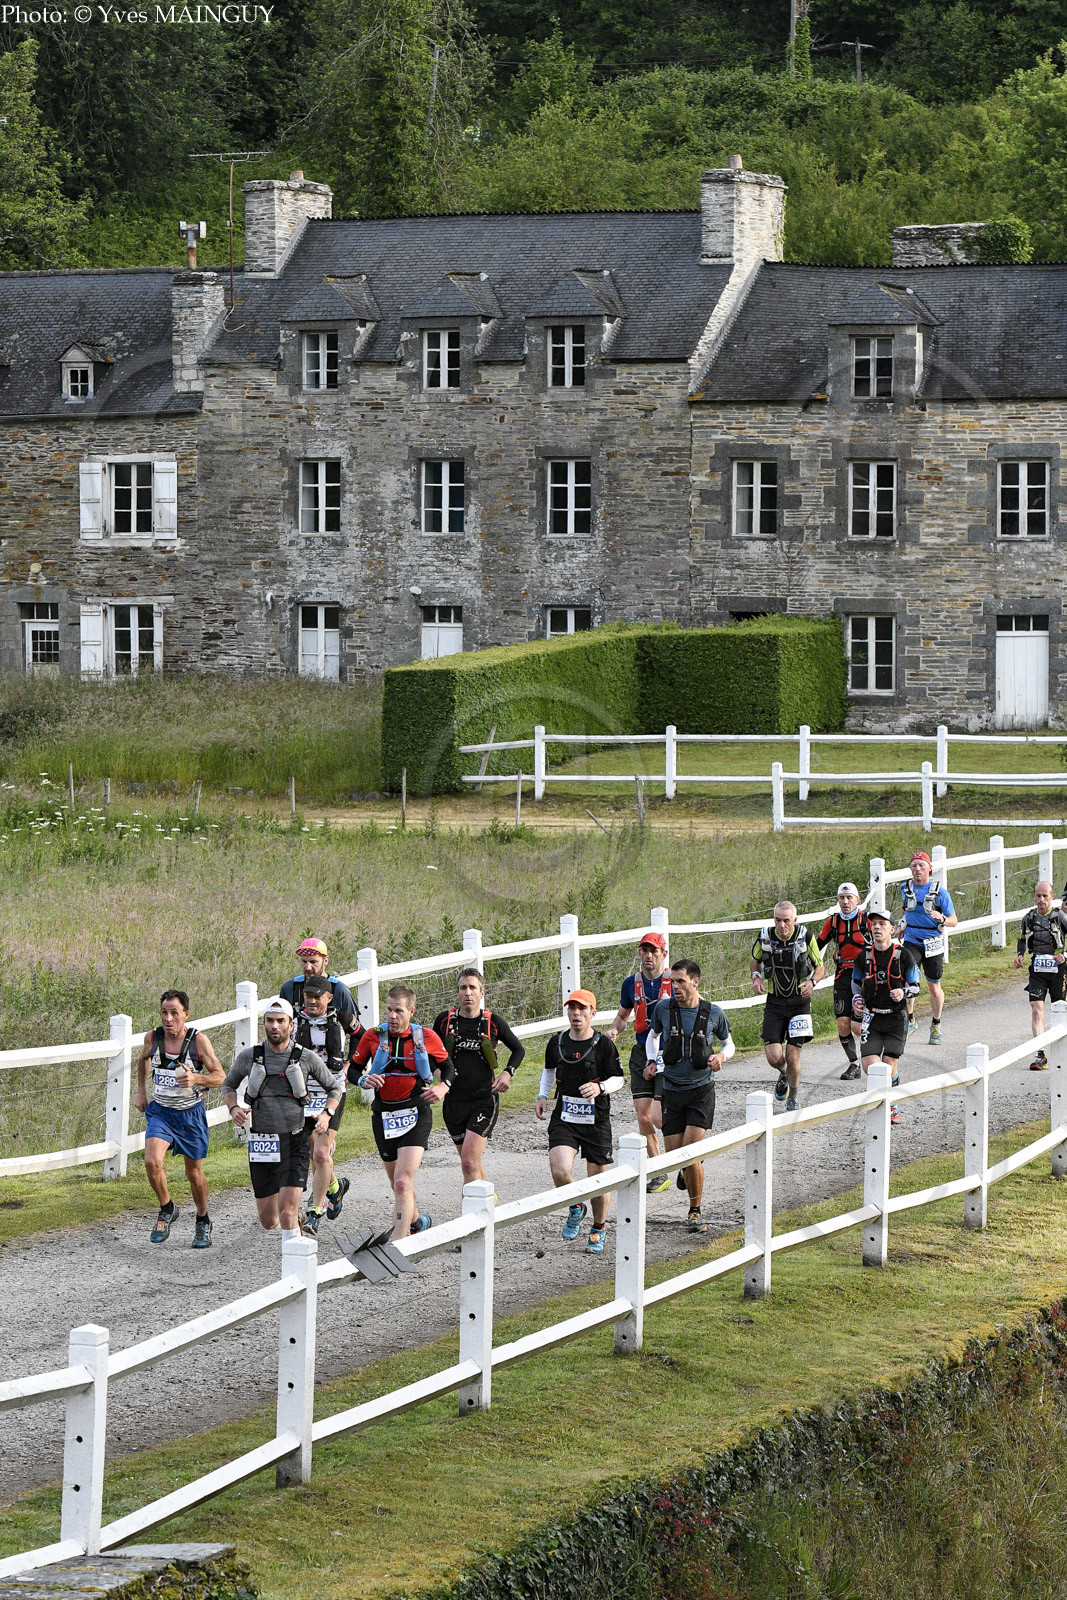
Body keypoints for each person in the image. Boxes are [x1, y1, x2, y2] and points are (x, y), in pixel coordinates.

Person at [223, 997, 343, 1244]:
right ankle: (297, 1217)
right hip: (262, 1144)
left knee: (286, 1212)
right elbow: (228, 1084)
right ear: (264, 1024)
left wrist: (326, 1114)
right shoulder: (250, 1056)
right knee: (270, 1221)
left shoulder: (306, 1057)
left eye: (280, 1021)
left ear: (291, 1024)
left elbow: (334, 1089)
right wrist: (233, 1108)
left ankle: (294, 1260)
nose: (274, 1026)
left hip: (294, 1141)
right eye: (270, 1021)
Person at [349, 984, 451, 1239]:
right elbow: (353, 1069)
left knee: (403, 1181)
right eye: (389, 1010)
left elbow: (448, 1067)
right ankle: (417, 1222)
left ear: (411, 1011)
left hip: (416, 1111)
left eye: (399, 1011)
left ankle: (398, 1244)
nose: (392, 1016)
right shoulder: (373, 1036)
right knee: (397, 1184)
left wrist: (442, 1087)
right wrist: (363, 1080)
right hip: (383, 1115)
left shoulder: (426, 1037)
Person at [646, 958, 733, 1234]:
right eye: (672, 981)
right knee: (677, 1157)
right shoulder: (663, 1009)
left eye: (681, 981)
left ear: (695, 982)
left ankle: (695, 1211)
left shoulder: (714, 1013)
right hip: (672, 1090)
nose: (675, 987)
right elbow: (652, 1036)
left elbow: (728, 1044)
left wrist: (721, 1057)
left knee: (691, 1153)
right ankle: (687, 1170)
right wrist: (651, 1059)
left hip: (701, 1090)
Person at [535, 989, 623, 1255]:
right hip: (565, 1116)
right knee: (559, 1169)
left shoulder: (603, 1044)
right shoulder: (557, 1042)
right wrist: (542, 1095)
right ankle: (576, 1205)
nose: (576, 1013)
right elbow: (549, 1070)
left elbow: (619, 1078)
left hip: (596, 1119)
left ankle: (598, 1228)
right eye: (571, 1008)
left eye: (582, 1008)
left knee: (597, 1180)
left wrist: (600, 1088)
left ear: (592, 1013)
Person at [135, 990, 225, 1248]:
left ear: (186, 1014)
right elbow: (142, 1059)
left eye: (174, 1013)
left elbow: (220, 1076)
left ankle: (202, 1219)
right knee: (152, 1161)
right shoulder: (153, 1038)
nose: (168, 1018)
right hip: (161, 1112)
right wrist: (141, 1092)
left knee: (194, 1173)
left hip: (190, 1115)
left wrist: (196, 1078)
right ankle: (167, 1208)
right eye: (164, 1012)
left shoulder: (199, 1041)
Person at [433, 968, 525, 1186]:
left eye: (473, 988)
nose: (468, 992)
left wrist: (507, 1073)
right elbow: (428, 1051)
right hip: (454, 1101)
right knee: (470, 1162)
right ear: (457, 993)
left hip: (484, 1099)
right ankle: (487, 1200)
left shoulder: (493, 1022)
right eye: (463, 988)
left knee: (468, 1161)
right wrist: (436, 1072)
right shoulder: (444, 1021)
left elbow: (518, 1050)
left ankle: (471, 1206)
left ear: (482, 992)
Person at [606, 930, 672, 1194]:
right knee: (643, 1115)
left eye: (653, 951)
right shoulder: (631, 984)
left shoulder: (674, 980)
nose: (648, 955)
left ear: (663, 953)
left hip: (670, 1053)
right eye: (644, 950)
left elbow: (695, 1006)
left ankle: (686, 1160)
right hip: (642, 1053)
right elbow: (623, 1017)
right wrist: (614, 1030)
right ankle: (659, 1171)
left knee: (661, 1118)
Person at [750, 901, 825, 1112]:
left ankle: (793, 1098)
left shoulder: (805, 936)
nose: (782, 925)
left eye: (786, 921)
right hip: (775, 1003)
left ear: (795, 920)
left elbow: (820, 966)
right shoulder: (765, 936)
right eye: (778, 920)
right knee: (773, 1057)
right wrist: (756, 976)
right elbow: (755, 960)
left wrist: (812, 982)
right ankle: (783, 1074)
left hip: (799, 1003)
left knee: (792, 1056)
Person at [293, 975, 351, 1237]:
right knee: (312, 1152)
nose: (312, 1001)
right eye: (308, 996)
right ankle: (335, 1188)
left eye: (318, 997)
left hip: (332, 1093)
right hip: (304, 1095)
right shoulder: (294, 1022)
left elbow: (365, 1039)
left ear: (329, 998)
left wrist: (351, 1066)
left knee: (320, 1152)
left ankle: (315, 1212)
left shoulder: (342, 1020)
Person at [851, 908, 920, 1125]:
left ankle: (891, 1104)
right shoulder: (864, 956)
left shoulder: (903, 955)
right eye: (874, 924)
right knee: (870, 1067)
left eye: (882, 924)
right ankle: (886, 1097)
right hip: (872, 1017)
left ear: (892, 929)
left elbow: (916, 987)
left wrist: (903, 992)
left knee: (889, 1066)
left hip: (895, 1018)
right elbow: (855, 982)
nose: (877, 928)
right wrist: (856, 999)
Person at [898, 851, 957, 1044]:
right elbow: (904, 909)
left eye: (921, 865)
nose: (917, 869)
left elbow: (954, 920)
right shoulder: (905, 888)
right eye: (914, 866)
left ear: (929, 869)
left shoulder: (940, 893)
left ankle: (936, 1024)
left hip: (933, 942)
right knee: (908, 981)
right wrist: (901, 925)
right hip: (912, 940)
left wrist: (942, 919)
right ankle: (910, 1020)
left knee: (933, 986)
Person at [818, 883, 870, 1081]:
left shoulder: (866, 920)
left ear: (858, 900)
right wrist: (805, 962)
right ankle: (854, 1064)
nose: (845, 902)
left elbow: (883, 943)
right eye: (842, 898)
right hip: (842, 975)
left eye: (849, 898)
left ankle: (874, 1055)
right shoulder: (833, 922)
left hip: (865, 976)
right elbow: (817, 944)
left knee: (858, 1026)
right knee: (842, 1023)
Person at [1014, 881, 1067, 1070]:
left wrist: (1064, 954)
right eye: (1038, 896)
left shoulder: (1060, 917)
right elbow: (1022, 939)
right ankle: (1041, 1055)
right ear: (1034, 897)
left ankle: (1062, 1053)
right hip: (1037, 970)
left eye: (1045, 896)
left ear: (1052, 897)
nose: (1041, 900)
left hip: (1058, 970)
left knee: (1060, 1011)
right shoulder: (1028, 918)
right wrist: (1020, 955)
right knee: (1036, 1009)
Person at [281, 938, 357, 1031]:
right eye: (304, 962)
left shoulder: (339, 989)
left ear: (326, 961)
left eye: (313, 962)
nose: (308, 968)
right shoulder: (290, 987)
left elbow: (355, 1028)